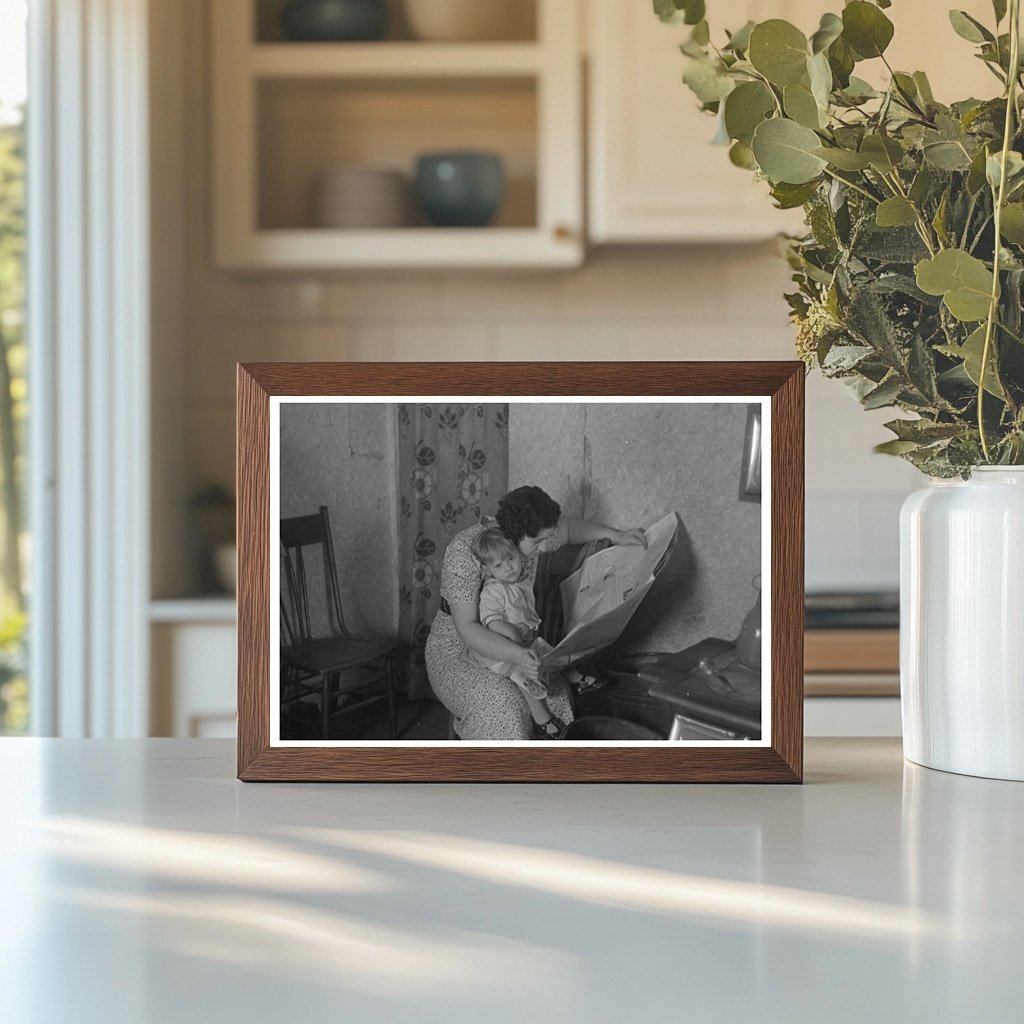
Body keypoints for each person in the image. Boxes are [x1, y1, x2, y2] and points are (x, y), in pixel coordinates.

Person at [425, 485, 647, 740]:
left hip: (517, 644)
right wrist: (520, 656)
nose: (544, 547)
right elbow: (468, 629)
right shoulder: (465, 551)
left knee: (555, 696)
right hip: (459, 651)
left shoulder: (531, 535)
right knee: (504, 706)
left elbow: (569, 529)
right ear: (515, 533)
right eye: (538, 542)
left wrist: (616, 535)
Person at [469, 527, 564, 738]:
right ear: (487, 570)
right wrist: (509, 631)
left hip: (523, 643)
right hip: (500, 649)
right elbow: (490, 621)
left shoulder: (521, 584)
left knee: (552, 657)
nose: (508, 567)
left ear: (519, 555)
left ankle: (572, 676)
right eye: (498, 565)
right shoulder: (493, 589)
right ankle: (542, 718)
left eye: (510, 558)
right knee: (522, 675)